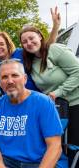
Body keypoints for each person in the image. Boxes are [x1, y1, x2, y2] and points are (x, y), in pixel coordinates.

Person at [0, 59, 66, 168]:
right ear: (0, 83)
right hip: (5, 160)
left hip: (38, 161)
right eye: (4, 77)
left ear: (25, 79)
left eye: (15, 75)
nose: (10, 81)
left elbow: (54, 146)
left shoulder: (43, 103)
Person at [19, 25, 79, 166]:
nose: (29, 43)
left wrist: (58, 92)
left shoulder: (55, 50)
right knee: (60, 148)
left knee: (75, 147)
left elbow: (77, 72)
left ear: (40, 36)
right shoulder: (30, 61)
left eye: (31, 38)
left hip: (75, 104)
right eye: (24, 41)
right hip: (57, 109)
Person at [0, 7, 61, 95]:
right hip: (13, 103)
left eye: (1, 44)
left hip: (35, 99)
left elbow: (45, 48)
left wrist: (56, 27)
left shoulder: (21, 53)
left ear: (8, 45)